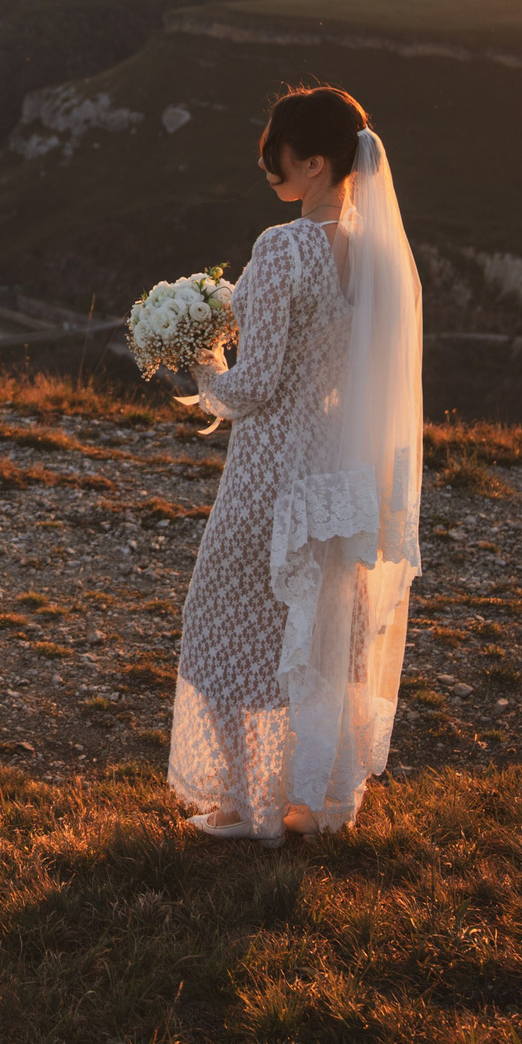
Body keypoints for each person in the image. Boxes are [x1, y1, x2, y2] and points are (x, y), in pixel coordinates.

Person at [169, 85, 422, 842]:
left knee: (223, 624)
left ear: (314, 162)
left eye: (280, 155)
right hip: (338, 480)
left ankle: (250, 805)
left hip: (271, 475)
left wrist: (201, 359)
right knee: (311, 641)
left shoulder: (285, 246)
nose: (270, 167)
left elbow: (252, 388)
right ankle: (311, 798)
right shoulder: (377, 254)